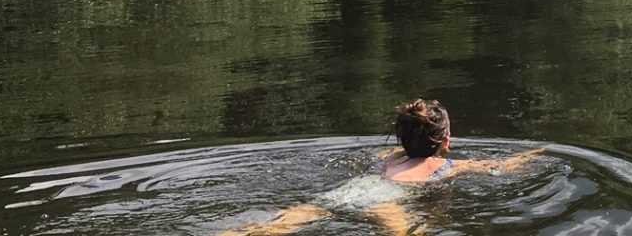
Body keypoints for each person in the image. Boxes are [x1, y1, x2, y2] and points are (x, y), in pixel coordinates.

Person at [218, 99, 543, 236]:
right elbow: (495, 167)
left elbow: (389, 150)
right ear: (445, 140)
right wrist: (535, 153)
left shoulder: (391, 158)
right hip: (388, 200)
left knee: (294, 218)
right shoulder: (444, 164)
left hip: (355, 189)